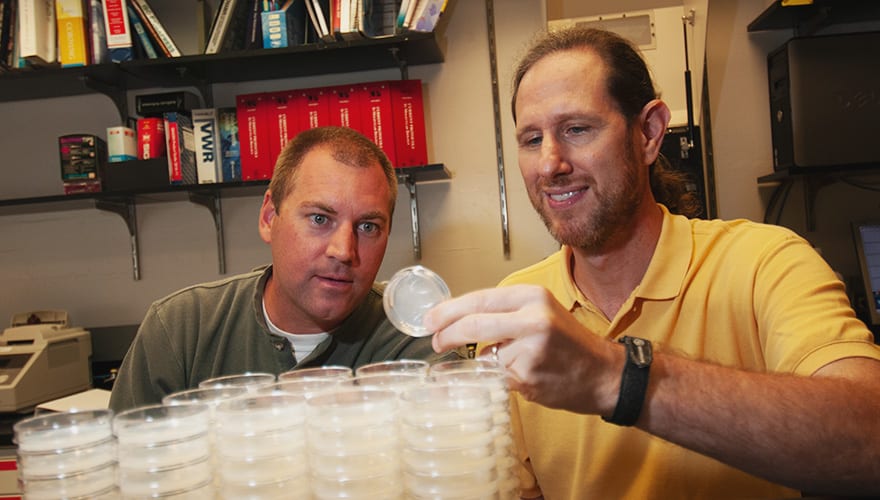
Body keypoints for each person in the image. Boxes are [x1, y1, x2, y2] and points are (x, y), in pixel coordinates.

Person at [426, 27, 880, 499]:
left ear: (649, 132)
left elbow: (870, 440)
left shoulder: (764, 263)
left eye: (576, 129)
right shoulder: (513, 315)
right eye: (531, 138)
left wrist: (615, 376)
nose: (549, 164)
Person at [110, 126, 461, 412]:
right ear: (268, 217)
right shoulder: (180, 331)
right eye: (319, 219)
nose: (343, 251)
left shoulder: (417, 342)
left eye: (368, 226)